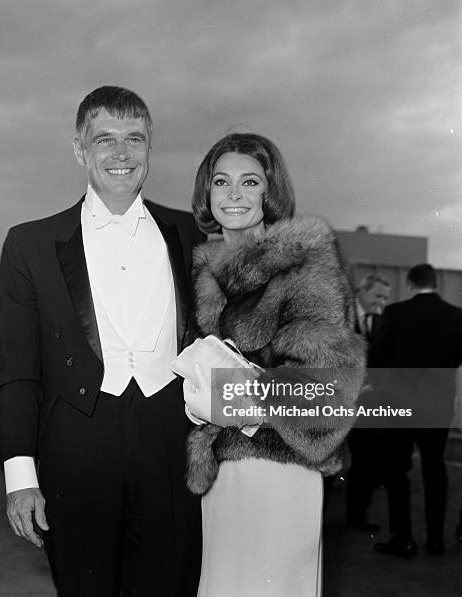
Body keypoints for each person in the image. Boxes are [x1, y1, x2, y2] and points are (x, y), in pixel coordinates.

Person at [0, 86, 203, 596]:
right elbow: (16, 370)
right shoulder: (30, 243)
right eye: (104, 139)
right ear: (79, 149)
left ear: (150, 147)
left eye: (135, 138)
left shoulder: (191, 233)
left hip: (171, 448)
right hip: (76, 447)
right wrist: (21, 478)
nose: (122, 153)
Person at [180, 133, 365, 597]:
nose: (235, 194)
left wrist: (233, 397)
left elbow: (332, 383)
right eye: (222, 181)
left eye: (250, 181)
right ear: (207, 192)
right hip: (224, 473)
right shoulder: (205, 270)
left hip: (282, 467)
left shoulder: (302, 262)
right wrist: (202, 399)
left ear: (271, 192)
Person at [372, 264, 462, 557]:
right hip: (438, 405)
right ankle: (436, 540)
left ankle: (404, 538)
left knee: (397, 472)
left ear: (410, 283)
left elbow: (378, 358)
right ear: (435, 283)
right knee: (434, 470)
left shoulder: (395, 313)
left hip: (398, 404)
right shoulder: (455, 316)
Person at [345, 274, 390, 532]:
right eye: (378, 296)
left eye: (385, 297)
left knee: (364, 462)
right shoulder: (341, 316)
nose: (382, 302)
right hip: (337, 402)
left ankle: (356, 516)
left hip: (367, 405)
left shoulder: (381, 321)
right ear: (361, 291)